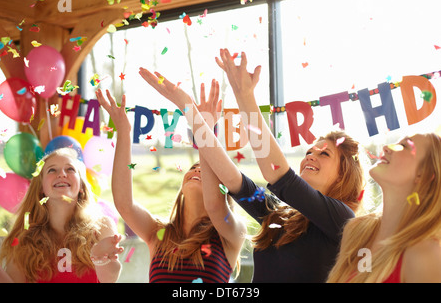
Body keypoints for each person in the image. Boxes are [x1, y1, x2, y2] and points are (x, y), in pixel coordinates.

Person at [138, 49, 365, 282]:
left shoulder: (342, 219)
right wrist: (189, 110)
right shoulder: (277, 215)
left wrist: (244, 95)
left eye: (324, 153)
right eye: (309, 151)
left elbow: (277, 173)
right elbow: (231, 178)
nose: (310, 155)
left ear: (343, 175)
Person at [95, 88, 246, 283]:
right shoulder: (158, 233)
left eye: (207, 171)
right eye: (193, 168)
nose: (198, 171)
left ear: (223, 189)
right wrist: (124, 132)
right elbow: (124, 203)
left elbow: (214, 206)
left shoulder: (231, 234)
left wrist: (204, 129)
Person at [327, 133, 441, 282]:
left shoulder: (426, 254)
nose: (386, 147)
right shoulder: (357, 231)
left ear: (425, 174)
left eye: (404, 146)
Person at [0, 147, 123, 283]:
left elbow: (110, 279)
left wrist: (101, 259)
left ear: (81, 186)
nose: (62, 174)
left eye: (70, 169)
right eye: (52, 170)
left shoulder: (102, 226)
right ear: (41, 188)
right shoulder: (23, 237)